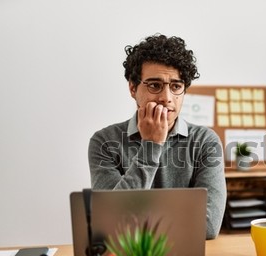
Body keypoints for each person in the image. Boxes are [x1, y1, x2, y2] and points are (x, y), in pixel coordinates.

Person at [88, 34, 226, 239]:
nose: (166, 98)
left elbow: (207, 226)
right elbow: (114, 222)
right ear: (133, 88)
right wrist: (151, 145)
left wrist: (137, 220)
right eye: (154, 85)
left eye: (176, 86)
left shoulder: (206, 141)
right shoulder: (104, 142)